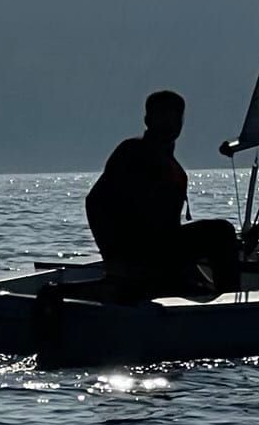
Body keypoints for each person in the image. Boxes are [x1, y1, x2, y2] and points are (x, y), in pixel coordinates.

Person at [86, 90, 239, 297]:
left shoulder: (175, 169)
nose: (171, 121)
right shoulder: (132, 152)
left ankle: (218, 294)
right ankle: (230, 301)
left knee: (219, 244)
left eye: (176, 116)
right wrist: (113, 260)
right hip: (139, 254)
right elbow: (95, 202)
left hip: (162, 254)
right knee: (220, 231)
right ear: (148, 119)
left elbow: (172, 231)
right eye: (163, 115)